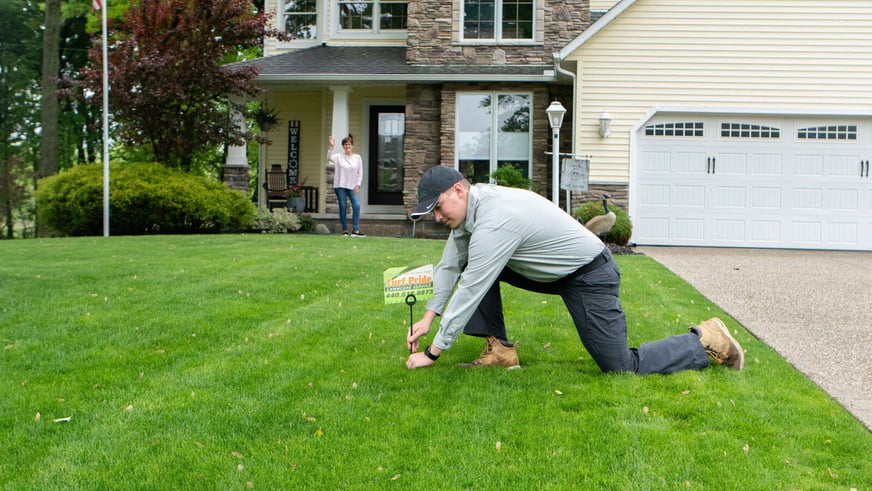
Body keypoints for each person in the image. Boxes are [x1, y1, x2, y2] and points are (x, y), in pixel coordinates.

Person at [404, 166, 744, 373]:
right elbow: (450, 265)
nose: (437, 218)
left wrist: (434, 353)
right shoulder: (471, 210)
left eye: (438, 208)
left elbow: (471, 289)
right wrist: (428, 317)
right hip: (553, 271)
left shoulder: (495, 220)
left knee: (622, 366)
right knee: (471, 263)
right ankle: (501, 352)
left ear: (459, 190)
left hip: (589, 275)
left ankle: (705, 339)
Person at [327, 135, 365, 237]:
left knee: (356, 206)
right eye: (345, 144)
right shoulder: (338, 157)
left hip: (353, 186)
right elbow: (329, 157)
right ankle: (344, 230)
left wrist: (358, 184)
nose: (347, 146)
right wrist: (331, 146)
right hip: (340, 186)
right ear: (343, 146)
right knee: (343, 206)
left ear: (352, 145)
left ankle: (355, 230)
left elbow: (360, 173)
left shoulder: (357, 158)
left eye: (349, 144)